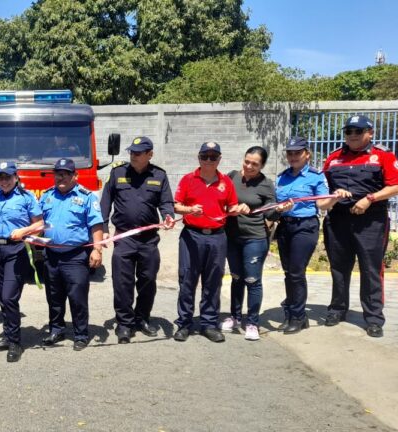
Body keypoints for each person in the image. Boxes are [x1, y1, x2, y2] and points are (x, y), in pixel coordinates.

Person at [322, 115, 398, 338]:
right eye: (349, 132)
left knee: (371, 269)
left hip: (371, 221)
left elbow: (395, 186)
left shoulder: (383, 156)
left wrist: (370, 199)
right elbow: (323, 186)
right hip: (338, 221)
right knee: (338, 268)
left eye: (358, 131)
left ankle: (373, 317)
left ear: (370, 133)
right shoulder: (334, 158)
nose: (352, 136)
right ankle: (337, 309)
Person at [100, 136, 175, 344]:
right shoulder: (118, 173)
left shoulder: (159, 175)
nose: (133, 155)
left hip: (149, 240)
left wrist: (168, 216)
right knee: (122, 283)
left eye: (138, 153)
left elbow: (166, 202)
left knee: (148, 281)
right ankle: (124, 323)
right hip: (124, 238)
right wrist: (104, 228)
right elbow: (105, 203)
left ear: (149, 155)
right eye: (131, 152)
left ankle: (142, 318)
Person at [173, 142, 246, 343]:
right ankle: (184, 323)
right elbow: (176, 206)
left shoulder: (226, 182)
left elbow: (231, 208)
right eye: (205, 156)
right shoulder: (188, 179)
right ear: (199, 157)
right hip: (191, 236)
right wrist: (189, 210)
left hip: (217, 237)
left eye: (213, 157)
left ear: (219, 160)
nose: (208, 160)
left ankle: (209, 323)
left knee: (213, 281)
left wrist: (239, 209)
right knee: (187, 279)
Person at [273, 137, 337, 334]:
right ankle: (292, 314)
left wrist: (332, 200)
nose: (293, 156)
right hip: (285, 225)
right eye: (290, 153)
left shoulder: (316, 176)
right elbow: (276, 204)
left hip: (305, 226)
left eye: (297, 153)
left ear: (306, 154)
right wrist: (280, 208)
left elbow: (321, 203)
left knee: (296, 272)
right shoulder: (281, 177)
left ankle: (298, 316)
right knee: (288, 273)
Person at [39, 158, 104, 350]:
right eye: (58, 173)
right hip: (51, 255)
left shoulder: (86, 196)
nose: (61, 177)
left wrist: (97, 249)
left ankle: (81, 334)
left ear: (75, 175)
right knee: (54, 297)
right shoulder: (46, 196)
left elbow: (96, 224)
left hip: (75, 256)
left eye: (66, 174)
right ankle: (56, 330)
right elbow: (37, 221)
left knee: (77, 297)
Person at [0, 162, 43, 362]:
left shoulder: (26, 198)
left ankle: (15, 342)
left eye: (8, 177)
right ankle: (8, 336)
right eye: (0, 177)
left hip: (16, 250)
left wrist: (24, 231)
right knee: (1, 297)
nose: (4, 181)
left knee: (10, 297)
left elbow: (40, 224)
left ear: (16, 177)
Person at [222, 146, 277, 341]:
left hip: (254, 237)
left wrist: (281, 209)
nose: (249, 166)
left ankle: (252, 322)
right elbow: (222, 201)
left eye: (255, 164)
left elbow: (271, 212)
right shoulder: (231, 177)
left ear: (262, 165)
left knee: (252, 280)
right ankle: (235, 317)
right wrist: (232, 207)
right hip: (232, 237)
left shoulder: (266, 184)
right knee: (236, 277)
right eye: (247, 161)